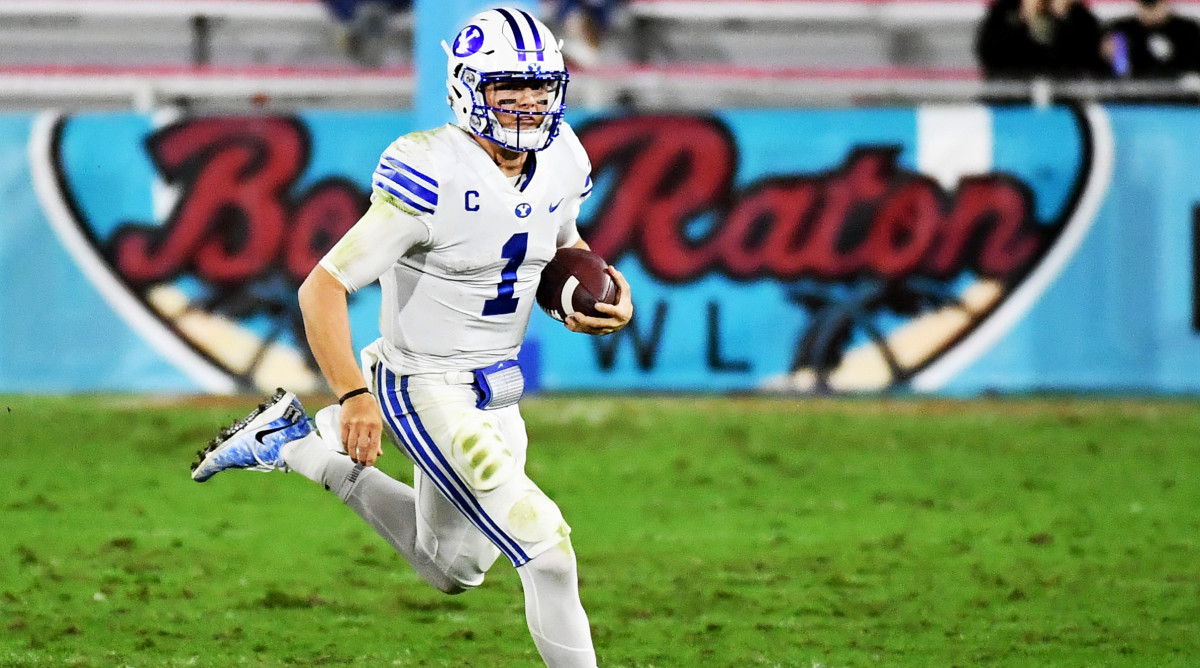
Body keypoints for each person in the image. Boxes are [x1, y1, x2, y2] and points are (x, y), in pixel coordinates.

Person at [190, 8, 633, 668]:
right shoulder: (428, 170)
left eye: (540, 86)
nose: (528, 101)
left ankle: (294, 444)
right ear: (467, 88)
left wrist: (588, 288)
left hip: (497, 388)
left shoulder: (563, 156)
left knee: (452, 569)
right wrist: (354, 395)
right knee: (548, 551)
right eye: (509, 86)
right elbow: (322, 287)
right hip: (424, 385)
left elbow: (559, 240)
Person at [975, 0, 1109, 79]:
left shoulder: (1078, 17)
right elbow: (990, 55)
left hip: (1067, 99)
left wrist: (1064, 17)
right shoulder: (1005, 11)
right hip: (1013, 101)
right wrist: (1023, 19)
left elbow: (1093, 58)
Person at [1101, 0, 1200, 78]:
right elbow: (1112, 73)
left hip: (1182, 94)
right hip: (1133, 93)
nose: (1151, 14)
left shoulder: (1188, 30)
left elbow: (1194, 71)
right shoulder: (1121, 30)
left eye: (1155, 5)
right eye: (1146, 6)